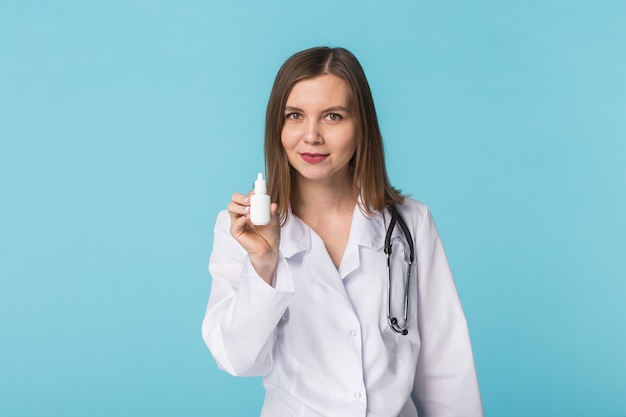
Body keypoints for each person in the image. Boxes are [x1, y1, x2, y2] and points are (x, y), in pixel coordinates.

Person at [202, 46, 483, 417]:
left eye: (332, 116)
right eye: (295, 116)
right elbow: (239, 359)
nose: (312, 135)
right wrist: (264, 263)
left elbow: (447, 367)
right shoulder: (242, 229)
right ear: (277, 126)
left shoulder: (410, 223)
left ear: (361, 125)